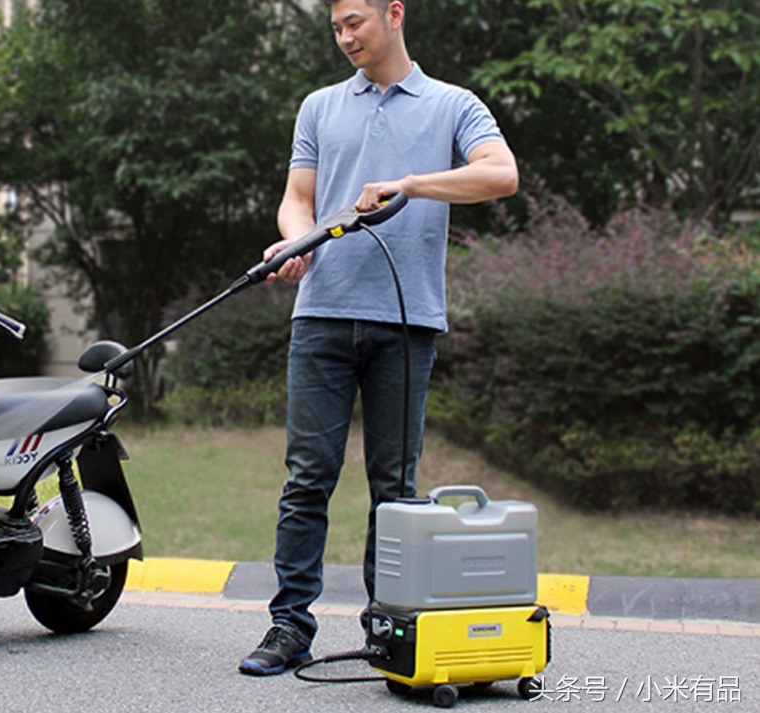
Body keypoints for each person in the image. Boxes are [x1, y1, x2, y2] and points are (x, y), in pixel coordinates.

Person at [237, 0, 518, 676]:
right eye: (336, 27)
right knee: (308, 477)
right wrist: (297, 240)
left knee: (395, 486)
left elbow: (501, 173)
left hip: (407, 321)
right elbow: (298, 197)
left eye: (354, 22)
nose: (344, 37)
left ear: (394, 14)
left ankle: (385, 628)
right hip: (322, 315)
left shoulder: (453, 105)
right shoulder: (320, 107)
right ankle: (288, 627)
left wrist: (412, 184)